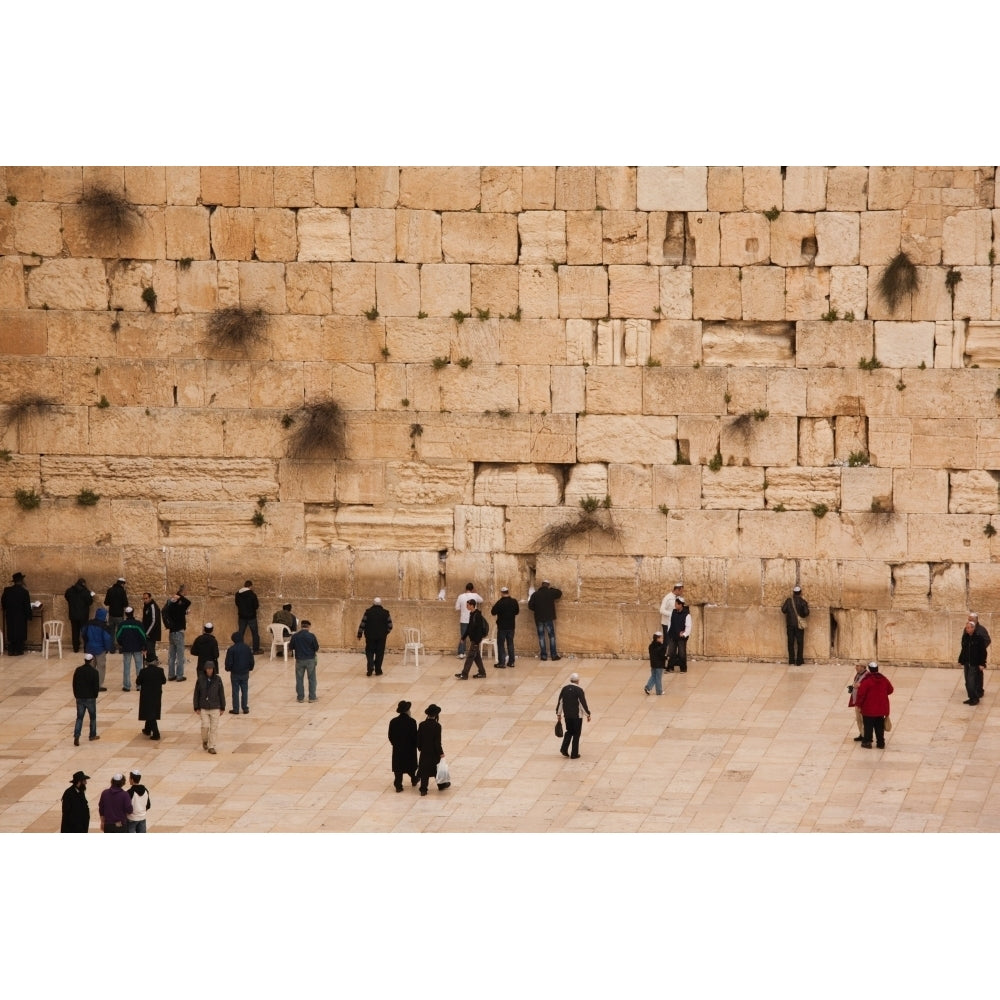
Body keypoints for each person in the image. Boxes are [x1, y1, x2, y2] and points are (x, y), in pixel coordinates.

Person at [855, 661, 893, 749]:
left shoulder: (867, 681)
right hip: (881, 709)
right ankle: (880, 743)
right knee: (879, 727)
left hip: (869, 709)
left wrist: (858, 705)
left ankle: (867, 742)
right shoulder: (884, 679)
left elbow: (861, 694)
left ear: (870, 669)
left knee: (868, 726)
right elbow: (890, 690)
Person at [556, 672, 592, 759]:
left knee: (569, 731)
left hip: (567, 716)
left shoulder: (564, 689)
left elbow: (560, 702)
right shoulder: (579, 690)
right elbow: (582, 704)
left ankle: (564, 749)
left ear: (570, 680)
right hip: (577, 717)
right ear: (578, 681)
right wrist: (588, 714)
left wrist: (559, 713)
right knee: (576, 734)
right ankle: (574, 754)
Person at [193, 660, 225, 753]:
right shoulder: (200, 679)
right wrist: (196, 707)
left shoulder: (218, 679)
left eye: (211, 669)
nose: (209, 670)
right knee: (205, 726)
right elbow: (196, 694)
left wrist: (222, 707)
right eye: (208, 669)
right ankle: (205, 740)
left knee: (214, 728)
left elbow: (221, 693)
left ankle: (211, 746)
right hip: (204, 707)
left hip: (215, 706)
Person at [388, 700, 419, 792]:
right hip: (409, 749)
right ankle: (414, 780)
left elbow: (390, 736)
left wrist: (395, 744)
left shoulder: (393, 721)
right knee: (411, 767)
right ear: (407, 711)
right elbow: (415, 736)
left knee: (398, 769)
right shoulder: (412, 722)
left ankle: (398, 786)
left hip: (398, 749)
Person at [357, 597, 393, 676]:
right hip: (381, 637)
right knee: (380, 653)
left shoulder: (368, 612)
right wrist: (385, 633)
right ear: (381, 603)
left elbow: (363, 623)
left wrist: (359, 634)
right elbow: (390, 626)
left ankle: (370, 666)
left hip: (370, 637)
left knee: (369, 651)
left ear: (373, 603)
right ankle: (378, 670)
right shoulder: (386, 613)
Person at [82, 607, 114, 691]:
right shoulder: (104, 626)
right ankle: (98, 685)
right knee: (101, 667)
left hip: (90, 648)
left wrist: (87, 643)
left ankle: (89, 684)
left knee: (90, 667)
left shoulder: (89, 623)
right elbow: (106, 639)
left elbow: (83, 633)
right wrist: (107, 648)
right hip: (100, 649)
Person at [528, 579, 562, 660]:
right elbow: (559, 593)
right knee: (552, 636)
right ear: (548, 585)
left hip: (539, 618)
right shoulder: (551, 592)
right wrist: (552, 589)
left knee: (541, 637)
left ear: (542, 585)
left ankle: (543, 656)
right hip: (548, 617)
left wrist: (537, 610)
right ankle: (553, 655)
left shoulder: (535, 594)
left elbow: (530, 606)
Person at [115, 606, 147, 692]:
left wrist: (122, 644)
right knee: (139, 667)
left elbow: (118, 636)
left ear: (126, 614)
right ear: (133, 613)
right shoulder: (138, 624)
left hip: (126, 648)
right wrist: (144, 646)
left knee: (126, 667)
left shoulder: (122, 625)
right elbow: (143, 636)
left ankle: (127, 686)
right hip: (137, 648)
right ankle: (139, 685)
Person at [163, 584, 191, 682]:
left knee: (171, 656)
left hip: (171, 632)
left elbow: (176, 612)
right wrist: (180, 596)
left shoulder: (171, 603)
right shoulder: (181, 602)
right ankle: (179, 676)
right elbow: (188, 602)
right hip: (178, 632)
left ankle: (171, 675)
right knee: (180, 656)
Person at [454, 599, 489, 679]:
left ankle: (464, 674)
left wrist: (477, 641)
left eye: (468, 605)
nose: (466, 606)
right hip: (473, 640)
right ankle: (482, 673)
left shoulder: (477, 615)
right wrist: (463, 637)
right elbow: (469, 628)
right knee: (477, 658)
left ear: (472, 605)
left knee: (470, 657)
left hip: (475, 640)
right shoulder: (472, 614)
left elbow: (479, 630)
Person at [72, 653, 100, 746]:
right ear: (92, 661)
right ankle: (92, 735)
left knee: (79, 717)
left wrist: (76, 694)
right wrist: (95, 695)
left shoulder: (78, 670)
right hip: (90, 698)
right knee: (92, 717)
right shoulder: (94, 672)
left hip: (80, 697)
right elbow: (96, 686)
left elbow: (74, 683)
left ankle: (77, 735)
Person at [416, 704, 445, 796]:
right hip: (433, 753)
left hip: (424, 752)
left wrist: (420, 748)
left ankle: (423, 789)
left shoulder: (422, 725)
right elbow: (437, 742)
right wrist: (441, 753)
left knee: (424, 770)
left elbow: (418, 739)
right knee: (436, 769)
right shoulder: (437, 726)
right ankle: (440, 785)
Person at [1, 571, 32, 656]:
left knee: (11, 631)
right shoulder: (24, 592)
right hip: (21, 616)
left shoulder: (7, 591)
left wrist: (6, 609)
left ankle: (11, 650)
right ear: (21, 581)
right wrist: (29, 616)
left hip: (10, 615)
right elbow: (27, 606)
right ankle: (18, 650)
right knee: (20, 632)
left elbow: (3, 602)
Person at [136, 654, 166, 741]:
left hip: (146, 696)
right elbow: (164, 681)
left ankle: (156, 733)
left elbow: (138, 682)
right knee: (151, 712)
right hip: (156, 695)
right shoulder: (160, 670)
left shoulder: (143, 671)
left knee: (150, 713)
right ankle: (147, 729)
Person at [959, 618, 988, 706]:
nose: (966, 629)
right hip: (967, 663)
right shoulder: (965, 637)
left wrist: (982, 664)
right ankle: (971, 697)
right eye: (966, 628)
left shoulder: (979, 638)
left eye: (968, 628)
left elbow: (983, 652)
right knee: (967, 682)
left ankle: (975, 698)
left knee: (972, 682)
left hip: (974, 664)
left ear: (973, 628)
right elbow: (963, 649)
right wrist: (960, 660)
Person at [289, 620, 319, 703]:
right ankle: (312, 697)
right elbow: (316, 648)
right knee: (312, 679)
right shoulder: (311, 636)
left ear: (301, 626)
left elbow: (291, 647)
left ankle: (300, 698)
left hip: (299, 660)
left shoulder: (295, 636)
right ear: (308, 627)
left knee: (299, 679)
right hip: (310, 660)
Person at [225, 631, 255, 715]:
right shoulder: (247, 648)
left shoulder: (231, 649)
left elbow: (229, 662)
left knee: (235, 691)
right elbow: (251, 660)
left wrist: (228, 668)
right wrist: (250, 668)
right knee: (244, 690)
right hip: (245, 672)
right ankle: (245, 708)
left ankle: (236, 709)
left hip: (235, 673)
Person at [491, 586, 519, 668]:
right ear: (508, 592)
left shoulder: (499, 602)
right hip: (511, 626)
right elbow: (517, 612)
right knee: (510, 644)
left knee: (501, 645)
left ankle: (502, 663)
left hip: (502, 627)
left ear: (502, 593)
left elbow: (493, 612)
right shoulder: (514, 601)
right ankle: (511, 662)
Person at [780, 585, 809, 666]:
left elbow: (783, 610)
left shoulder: (789, 601)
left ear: (793, 593)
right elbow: (807, 613)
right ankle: (799, 661)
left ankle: (791, 660)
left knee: (790, 642)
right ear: (800, 593)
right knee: (800, 643)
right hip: (799, 626)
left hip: (790, 625)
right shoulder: (803, 601)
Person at [64, 577, 94, 653]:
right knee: (84, 632)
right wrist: (91, 596)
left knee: (75, 632)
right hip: (83, 616)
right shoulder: (85, 592)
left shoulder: (70, 591)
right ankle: (86, 648)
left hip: (73, 615)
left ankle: (75, 648)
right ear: (83, 584)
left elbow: (66, 596)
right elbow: (90, 602)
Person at [455, 582, 483, 657]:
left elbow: (457, 608)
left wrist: (464, 608)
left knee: (463, 636)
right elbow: (481, 600)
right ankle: (474, 652)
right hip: (473, 620)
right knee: (474, 637)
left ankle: (461, 653)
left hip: (463, 619)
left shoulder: (460, 596)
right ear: (472, 589)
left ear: (466, 588)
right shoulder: (475, 595)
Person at [665, 596, 692, 672]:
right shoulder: (673, 612)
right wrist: (669, 632)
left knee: (681, 653)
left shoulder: (687, 615)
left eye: (676, 604)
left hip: (681, 637)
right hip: (673, 636)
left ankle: (683, 668)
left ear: (680, 605)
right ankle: (670, 667)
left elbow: (688, 626)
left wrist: (684, 634)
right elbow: (670, 623)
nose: (675, 605)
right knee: (671, 652)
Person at [235, 579, 262, 653]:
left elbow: (237, 603)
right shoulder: (252, 595)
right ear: (250, 586)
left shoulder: (238, 594)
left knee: (241, 633)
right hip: (251, 617)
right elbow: (256, 606)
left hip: (242, 617)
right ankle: (255, 650)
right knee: (255, 634)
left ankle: (239, 649)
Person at [967, 612, 990, 701]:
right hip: (969, 658)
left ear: (975, 620)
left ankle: (979, 691)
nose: (969, 621)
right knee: (969, 677)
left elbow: (987, 640)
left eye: (971, 619)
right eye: (968, 619)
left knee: (978, 675)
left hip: (978, 658)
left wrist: (979, 649)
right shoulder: (967, 629)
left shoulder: (981, 629)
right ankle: (971, 693)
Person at [846, 663, 868, 741]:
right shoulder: (858, 675)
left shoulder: (867, 676)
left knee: (863, 719)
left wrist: (860, 686)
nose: (856, 667)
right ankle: (862, 734)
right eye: (856, 666)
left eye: (858, 666)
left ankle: (866, 736)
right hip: (857, 701)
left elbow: (867, 687)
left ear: (863, 667)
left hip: (863, 702)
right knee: (858, 719)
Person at [644, 631, 666, 695]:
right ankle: (659, 691)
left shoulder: (651, 646)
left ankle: (648, 687)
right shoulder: (661, 647)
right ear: (658, 638)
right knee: (658, 678)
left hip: (653, 664)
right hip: (659, 665)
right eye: (661, 638)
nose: (662, 639)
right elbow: (661, 656)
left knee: (653, 676)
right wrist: (666, 657)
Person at [141, 592, 161, 661]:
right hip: (147, 631)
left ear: (150, 598)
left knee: (150, 647)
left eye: (146, 598)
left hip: (152, 632)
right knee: (149, 647)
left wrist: (147, 632)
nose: (145, 600)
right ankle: (152, 659)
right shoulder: (146, 605)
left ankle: (152, 661)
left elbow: (154, 621)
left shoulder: (152, 606)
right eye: (143, 599)